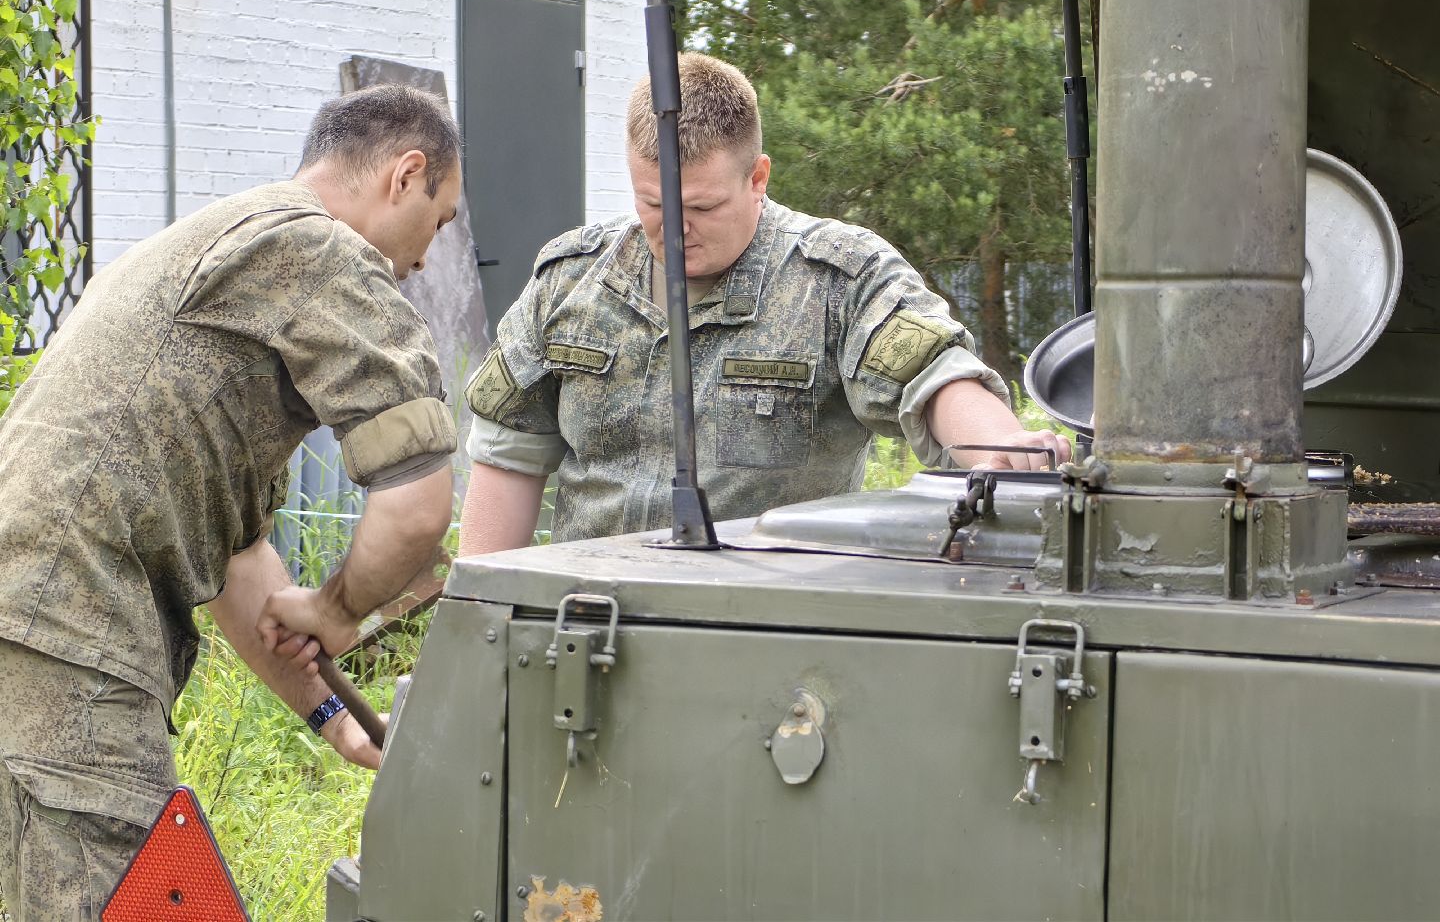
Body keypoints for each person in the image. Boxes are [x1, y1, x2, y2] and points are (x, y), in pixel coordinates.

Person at [0, 84, 462, 919]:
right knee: (138, 900)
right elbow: (420, 501)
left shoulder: (230, 241)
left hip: (30, 624)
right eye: (442, 219)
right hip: (60, 628)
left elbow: (241, 565)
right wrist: (338, 604)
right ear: (407, 174)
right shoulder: (316, 250)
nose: (428, 257)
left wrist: (334, 718)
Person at [459, 52, 1068, 552]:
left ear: (758, 179)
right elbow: (508, 458)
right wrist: (479, 620)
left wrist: (1001, 452)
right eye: (652, 205)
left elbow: (936, 378)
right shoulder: (571, 282)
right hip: (586, 633)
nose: (674, 230)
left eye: (701, 208)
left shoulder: (837, 278)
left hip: (763, 640)